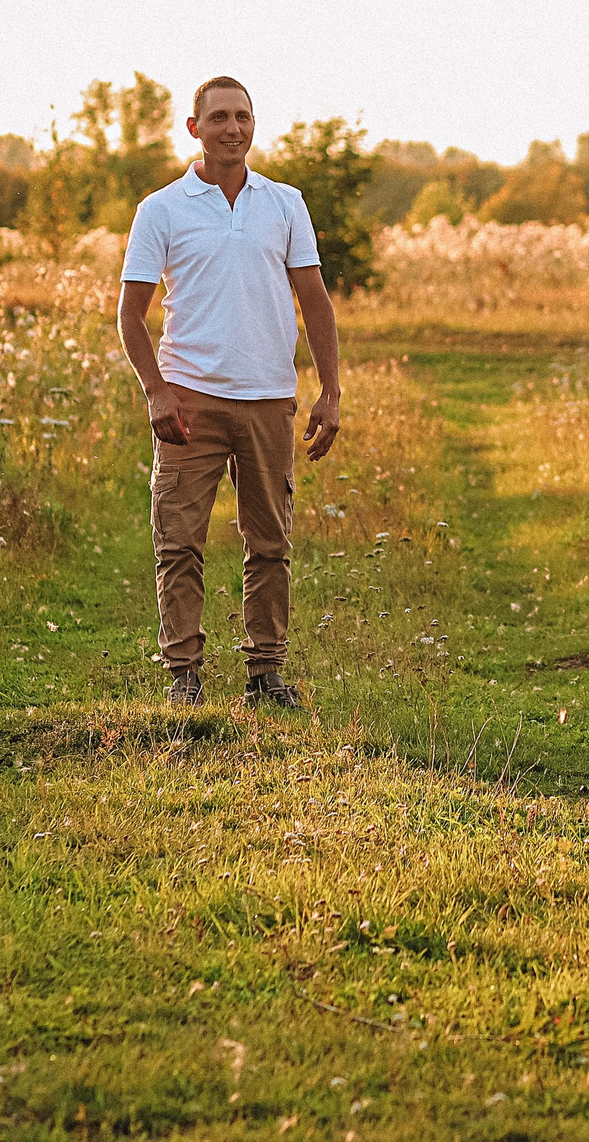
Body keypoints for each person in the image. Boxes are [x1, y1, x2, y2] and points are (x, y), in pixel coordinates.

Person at [117, 76, 342, 710]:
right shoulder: (161, 209)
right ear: (195, 128)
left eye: (242, 116)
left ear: (253, 124)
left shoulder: (285, 203)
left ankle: (266, 674)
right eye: (218, 117)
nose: (232, 128)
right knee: (179, 542)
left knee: (269, 543)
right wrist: (156, 392)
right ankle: (183, 675)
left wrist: (330, 391)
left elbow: (315, 301)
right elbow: (130, 314)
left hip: (269, 399)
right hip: (189, 400)